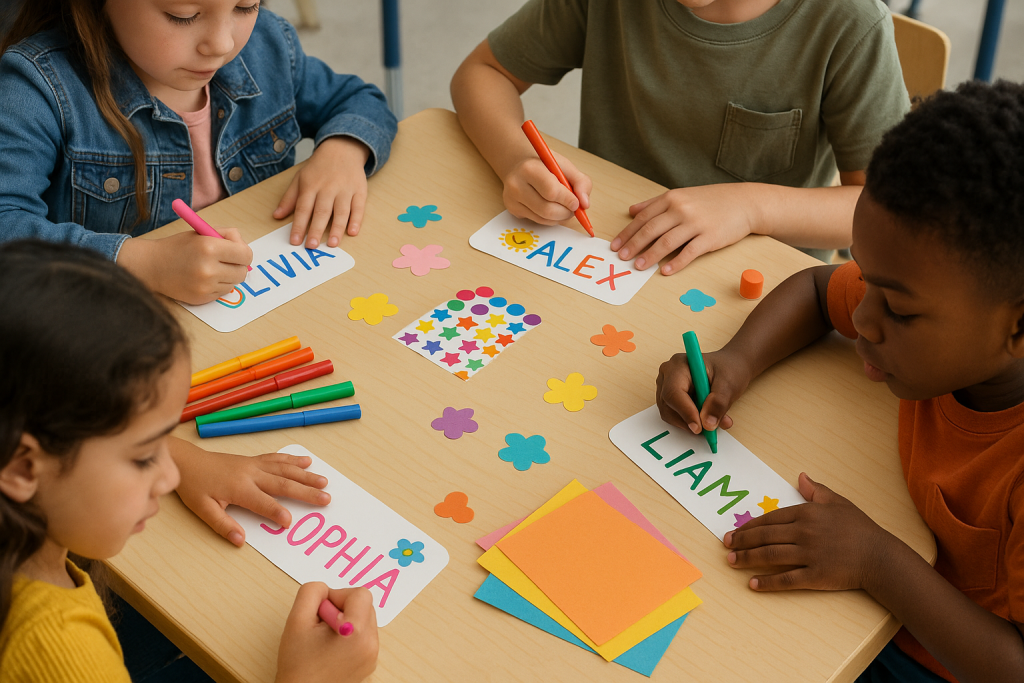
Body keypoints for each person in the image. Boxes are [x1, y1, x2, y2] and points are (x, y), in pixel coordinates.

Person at [656, 81, 1024, 682]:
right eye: (866, 276)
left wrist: (877, 562)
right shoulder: (937, 295)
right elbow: (815, 288)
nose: (864, 318)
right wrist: (737, 360)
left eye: (899, 310)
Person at [0, 240, 379, 683]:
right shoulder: (60, 654)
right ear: (23, 468)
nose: (170, 474)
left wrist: (183, 455)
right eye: (144, 456)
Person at [451, 0, 909, 272]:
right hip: (608, 252)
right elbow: (482, 72)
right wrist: (513, 157)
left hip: (759, 300)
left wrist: (750, 206)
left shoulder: (849, 22)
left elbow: (890, 208)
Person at [0, 0, 397, 305]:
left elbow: (358, 100)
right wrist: (144, 265)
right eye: (183, 14)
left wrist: (343, 151)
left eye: (245, 6)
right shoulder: (34, 87)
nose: (222, 44)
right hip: (114, 326)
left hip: (250, 306)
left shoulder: (269, 47)